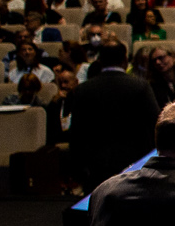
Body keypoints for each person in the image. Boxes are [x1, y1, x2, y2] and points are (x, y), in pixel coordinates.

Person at [68, 40, 161, 188]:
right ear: (125, 61)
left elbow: (76, 133)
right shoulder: (140, 86)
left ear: (100, 61)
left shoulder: (83, 89)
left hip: (95, 167)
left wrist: (77, 169)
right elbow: (155, 125)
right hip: (134, 165)